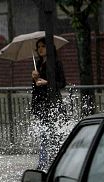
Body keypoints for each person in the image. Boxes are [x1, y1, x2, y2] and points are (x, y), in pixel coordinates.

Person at [30, 38, 66, 171]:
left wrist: (46, 82)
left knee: (52, 135)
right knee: (44, 135)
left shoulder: (56, 63)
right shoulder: (38, 65)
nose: (40, 49)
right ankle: (44, 163)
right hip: (40, 104)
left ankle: (47, 164)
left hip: (52, 104)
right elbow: (37, 87)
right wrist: (34, 79)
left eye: (43, 46)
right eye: (38, 47)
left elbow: (62, 83)